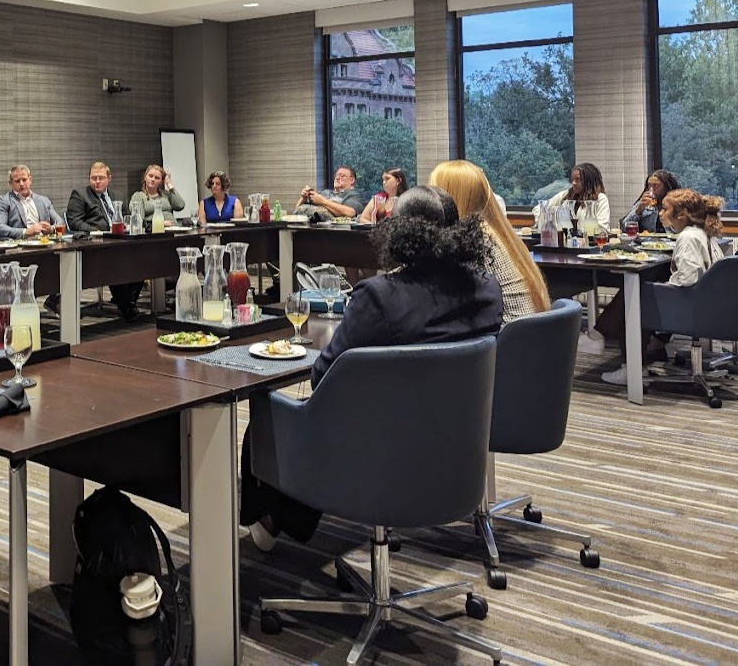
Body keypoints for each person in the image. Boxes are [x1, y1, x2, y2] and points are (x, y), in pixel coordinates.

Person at [242, 186, 503, 549]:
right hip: (458, 445)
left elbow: (323, 378)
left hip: (381, 450)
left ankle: (271, 521)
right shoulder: (487, 288)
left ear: (399, 232)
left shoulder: (381, 296)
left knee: (271, 418)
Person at [596, 189, 727, 385]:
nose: (660, 213)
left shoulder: (688, 237)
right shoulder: (701, 232)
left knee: (635, 299)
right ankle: (611, 341)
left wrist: (661, 289)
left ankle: (631, 370)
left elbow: (687, 278)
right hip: (708, 304)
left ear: (681, 215)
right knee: (643, 293)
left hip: (693, 309)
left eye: (665, 209)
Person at [430, 159, 551, 323]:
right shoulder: (498, 233)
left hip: (504, 341)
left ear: (448, 197)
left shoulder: (475, 240)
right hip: (529, 339)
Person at [66, 162, 143, 320]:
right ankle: (126, 306)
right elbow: (74, 222)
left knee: (141, 260)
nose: (97, 181)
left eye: (101, 178)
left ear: (109, 179)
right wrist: (98, 231)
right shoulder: (80, 194)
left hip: (121, 241)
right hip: (97, 245)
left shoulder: (118, 196)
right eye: (93, 178)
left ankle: (129, 302)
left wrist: (129, 226)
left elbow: (127, 216)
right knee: (117, 263)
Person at [0, 165, 64, 239]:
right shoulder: (4, 201)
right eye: (17, 181)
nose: (21, 184)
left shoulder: (43, 200)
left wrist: (52, 229)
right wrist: (26, 232)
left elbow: (60, 222)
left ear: (30, 180)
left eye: (24, 180)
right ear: (10, 183)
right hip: (20, 248)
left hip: (45, 244)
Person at [538, 163, 612, 231]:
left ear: (588, 181)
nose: (573, 183)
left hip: (590, 242)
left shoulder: (600, 199)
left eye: (578, 180)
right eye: (572, 179)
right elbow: (540, 208)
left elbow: (603, 227)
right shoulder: (566, 195)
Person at [622, 170, 681, 235]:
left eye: (656, 186)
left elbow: (679, 231)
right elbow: (624, 228)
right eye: (649, 186)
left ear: (666, 187)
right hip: (647, 242)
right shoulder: (644, 202)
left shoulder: (677, 204)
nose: (651, 190)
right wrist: (638, 210)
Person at [127, 164, 185, 230]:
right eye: (150, 176)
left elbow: (180, 205)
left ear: (161, 182)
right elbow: (139, 221)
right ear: (145, 177)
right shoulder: (138, 196)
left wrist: (169, 183)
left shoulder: (165, 194)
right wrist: (160, 223)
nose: (153, 179)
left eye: (157, 178)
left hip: (174, 230)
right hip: (154, 233)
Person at [298, 166, 366, 220]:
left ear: (352, 180)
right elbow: (297, 209)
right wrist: (303, 198)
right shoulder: (323, 192)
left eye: (342, 176)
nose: (337, 178)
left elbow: (350, 213)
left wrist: (323, 201)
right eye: (336, 175)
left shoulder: (353, 195)